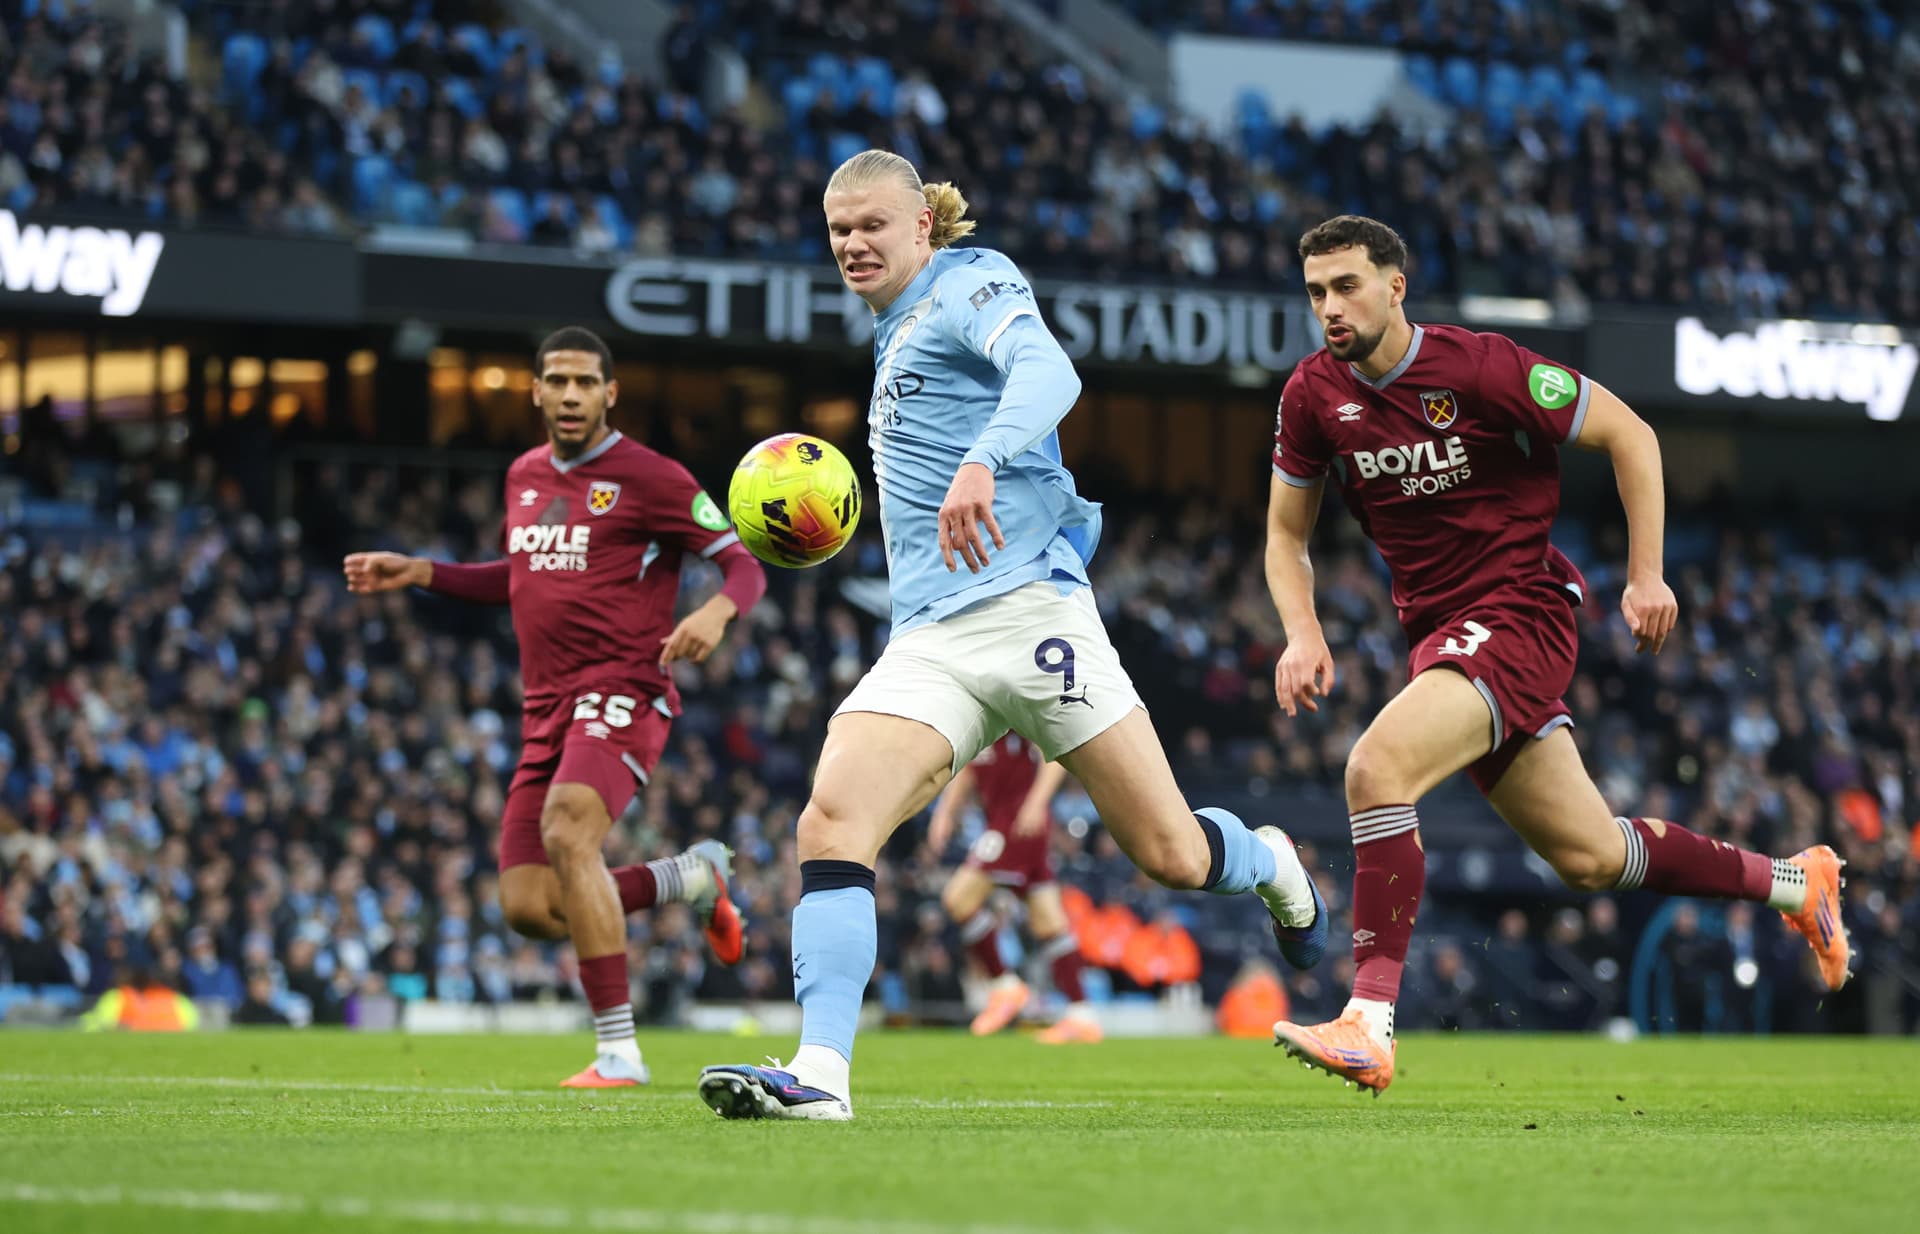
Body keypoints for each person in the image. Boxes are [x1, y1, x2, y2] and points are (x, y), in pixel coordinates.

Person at [697, 149, 1326, 1122]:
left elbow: (1049, 369)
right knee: (831, 822)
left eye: (873, 225)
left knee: (1170, 853)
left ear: (920, 227)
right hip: (930, 639)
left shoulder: (969, 282)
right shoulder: (891, 329)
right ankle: (821, 1075)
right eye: (839, 231)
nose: (855, 244)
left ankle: (1275, 863)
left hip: (1032, 610)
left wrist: (985, 458)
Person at [1263, 215, 1851, 1095]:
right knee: (1589, 856)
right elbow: (1283, 533)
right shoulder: (1313, 396)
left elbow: (1633, 435)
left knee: (1375, 767)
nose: (1330, 308)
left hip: (1521, 610)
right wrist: (1302, 630)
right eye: (1315, 292)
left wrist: (1647, 574)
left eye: (1346, 285)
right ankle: (1796, 882)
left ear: (1396, 285)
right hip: (1443, 638)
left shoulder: (1481, 368)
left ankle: (1369, 1024)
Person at [342, 326, 767, 1088]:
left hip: (624, 689)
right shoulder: (524, 476)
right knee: (531, 906)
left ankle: (618, 1053)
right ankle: (692, 878)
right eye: (556, 381)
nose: (570, 395)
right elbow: (524, 573)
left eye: (584, 382)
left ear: (610, 393)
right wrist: (422, 573)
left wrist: (714, 614)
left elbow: (740, 564)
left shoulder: (652, 476)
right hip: (545, 705)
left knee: (570, 833)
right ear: (535, 391)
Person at [925, 732, 1099, 1043]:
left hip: (1017, 822)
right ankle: (1081, 1015)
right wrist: (944, 814)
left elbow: (1055, 752)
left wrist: (1035, 802)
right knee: (1049, 921)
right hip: (1009, 822)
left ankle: (1006, 987)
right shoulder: (979, 719)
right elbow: (968, 767)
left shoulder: (1011, 706)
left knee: (957, 899)